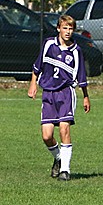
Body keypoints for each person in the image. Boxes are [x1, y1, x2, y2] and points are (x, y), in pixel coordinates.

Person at [27, 14, 91, 181]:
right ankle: (58, 158)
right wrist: (33, 84)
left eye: (70, 29)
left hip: (65, 93)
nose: (68, 31)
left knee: (64, 128)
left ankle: (65, 170)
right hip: (48, 92)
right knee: (46, 136)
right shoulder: (49, 44)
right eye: (65, 28)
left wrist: (85, 97)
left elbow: (81, 76)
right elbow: (37, 66)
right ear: (58, 29)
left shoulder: (76, 51)